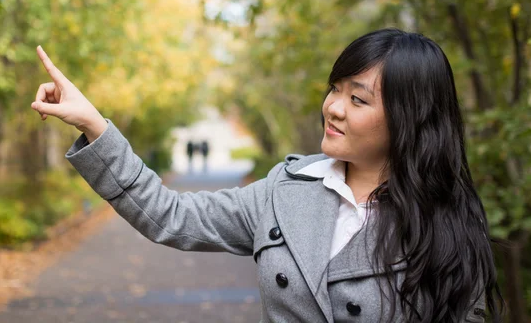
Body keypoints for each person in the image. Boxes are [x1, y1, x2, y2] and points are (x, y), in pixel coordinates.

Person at [31, 28, 504, 322]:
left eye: (358, 99)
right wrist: (95, 123)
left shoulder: (448, 220)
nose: (333, 108)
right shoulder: (285, 191)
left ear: (411, 118)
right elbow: (169, 215)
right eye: (334, 89)